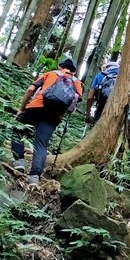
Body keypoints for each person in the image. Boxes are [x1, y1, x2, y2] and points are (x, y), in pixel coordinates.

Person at [11, 57, 83, 185]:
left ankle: (19, 162)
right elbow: (72, 108)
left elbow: (30, 89)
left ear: (60, 67)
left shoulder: (51, 73)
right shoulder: (77, 83)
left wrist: (21, 109)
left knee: (17, 131)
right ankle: (34, 177)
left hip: (36, 107)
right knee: (41, 143)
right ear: (74, 71)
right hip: (54, 115)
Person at [86, 51, 120, 122]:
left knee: (97, 122)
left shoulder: (100, 75)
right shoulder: (122, 77)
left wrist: (88, 114)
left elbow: (90, 97)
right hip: (117, 108)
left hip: (101, 105)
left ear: (107, 67)